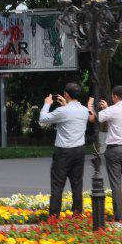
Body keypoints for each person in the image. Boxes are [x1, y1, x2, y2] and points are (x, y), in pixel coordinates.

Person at [88, 85, 122, 221]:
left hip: (114, 149)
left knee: (116, 183)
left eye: (112, 96)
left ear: (115, 96)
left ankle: (119, 216)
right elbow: (117, 119)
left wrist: (91, 106)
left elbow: (96, 118)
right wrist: (107, 109)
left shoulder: (111, 110)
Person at [39, 81, 90, 218]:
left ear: (66, 94)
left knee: (57, 185)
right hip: (79, 151)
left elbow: (43, 119)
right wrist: (66, 104)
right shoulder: (85, 110)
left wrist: (47, 103)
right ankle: (77, 214)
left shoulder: (63, 111)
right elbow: (72, 114)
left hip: (63, 152)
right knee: (77, 184)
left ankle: (54, 217)